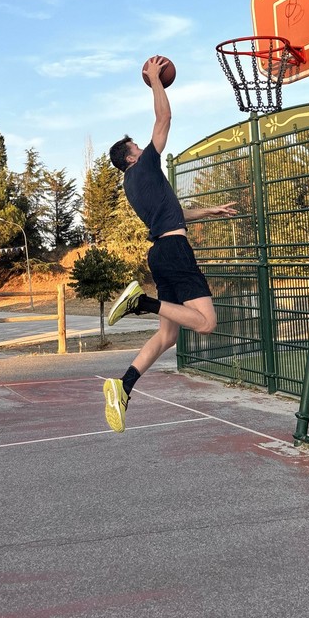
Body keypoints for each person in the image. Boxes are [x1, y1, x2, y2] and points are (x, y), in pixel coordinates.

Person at [104, 55, 237, 432]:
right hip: (175, 252)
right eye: (138, 148)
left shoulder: (134, 185)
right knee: (207, 324)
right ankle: (140, 302)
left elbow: (174, 213)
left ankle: (123, 385)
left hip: (161, 252)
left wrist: (210, 211)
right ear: (131, 157)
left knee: (168, 335)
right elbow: (164, 120)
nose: (145, 150)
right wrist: (154, 80)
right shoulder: (144, 167)